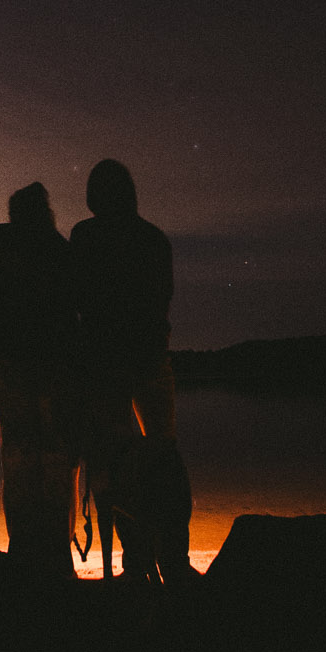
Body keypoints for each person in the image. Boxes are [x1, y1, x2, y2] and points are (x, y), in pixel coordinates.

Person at [70, 159, 191, 585]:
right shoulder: (153, 238)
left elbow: (77, 297)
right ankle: (171, 556)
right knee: (164, 457)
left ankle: (136, 560)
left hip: (105, 364)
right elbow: (163, 298)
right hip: (150, 358)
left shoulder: (85, 236)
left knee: (118, 461)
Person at [0, 181, 82, 581]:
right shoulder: (61, 250)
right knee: (58, 457)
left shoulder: (1, 247)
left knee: (18, 456)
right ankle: (57, 549)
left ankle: (24, 545)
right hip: (56, 365)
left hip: (12, 365)